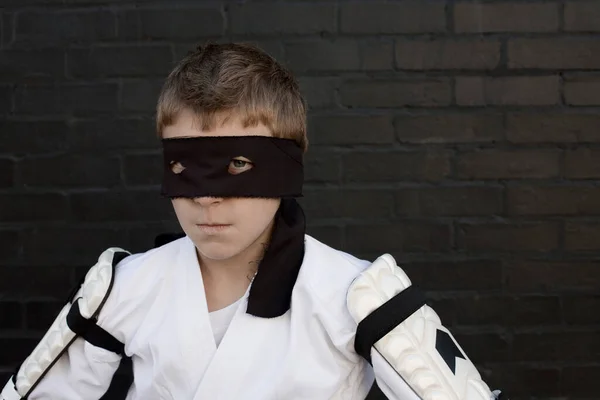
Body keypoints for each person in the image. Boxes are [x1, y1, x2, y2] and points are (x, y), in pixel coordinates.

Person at [1, 43, 507, 400]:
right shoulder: (125, 287)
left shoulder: (354, 296)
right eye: (183, 167)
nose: (207, 200)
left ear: (287, 167)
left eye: (239, 165)